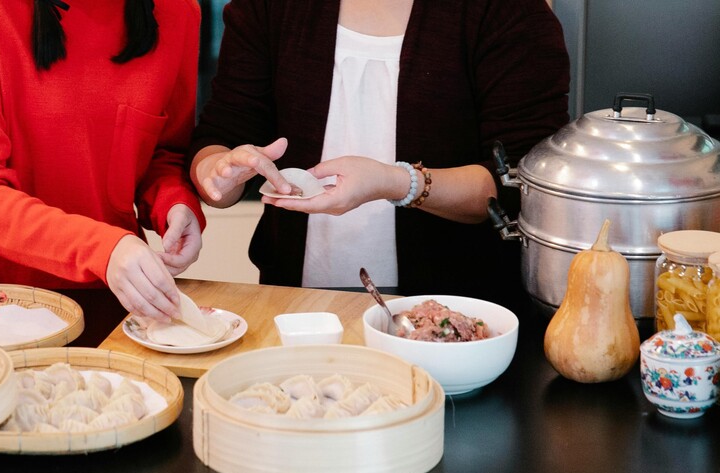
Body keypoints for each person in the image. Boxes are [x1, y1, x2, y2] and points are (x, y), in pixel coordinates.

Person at [190, 0, 570, 305]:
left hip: (457, 316)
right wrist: (218, 171)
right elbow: (220, 136)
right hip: (296, 307)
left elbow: (526, 184)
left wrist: (397, 183)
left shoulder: (508, 12)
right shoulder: (269, 9)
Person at [0, 0, 206, 322]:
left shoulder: (178, 11)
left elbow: (162, 153)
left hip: (112, 299)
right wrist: (100, 249)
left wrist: (173, 203)